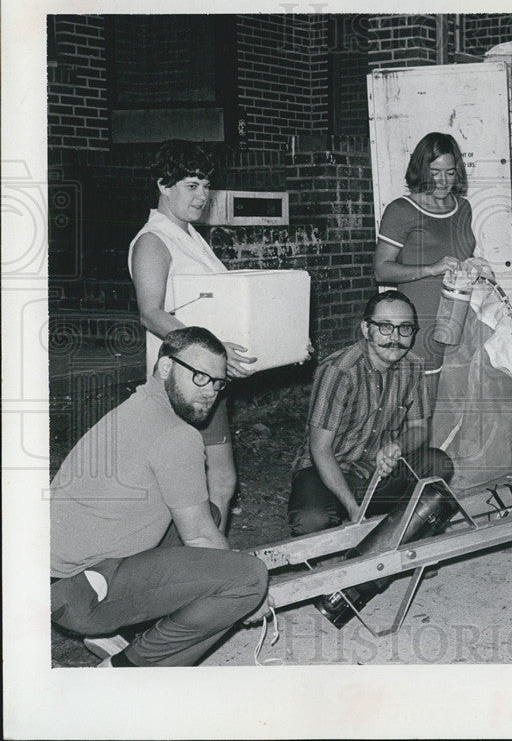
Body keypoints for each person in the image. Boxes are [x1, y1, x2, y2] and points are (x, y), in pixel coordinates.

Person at [49, 328, 269, 666]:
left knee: (206, 512)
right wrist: (256, 600)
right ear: (165, 367)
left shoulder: (137, 408)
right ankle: (129, 666)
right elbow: (198, 537)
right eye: (199, 377)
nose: (210, 391)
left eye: (217, 382)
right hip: (81, 592)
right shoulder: (176, 435)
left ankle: (120, 631)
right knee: (247, 580)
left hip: (61, 582)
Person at [286, 290, 456, 624]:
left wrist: (397, 447)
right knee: (310, 520)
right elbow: (320, 450)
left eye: (405, 329)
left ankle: (405, 538)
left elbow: (420, 427)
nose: (395, 337)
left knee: (437, 466)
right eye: (385, 327)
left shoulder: (413, 367)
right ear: (366, 329)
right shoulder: (339, 371)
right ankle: (361, 539)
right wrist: (352, 510)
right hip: (331, 469)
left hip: (378, 469)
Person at [128, 140, 256, 533]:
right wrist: (210, 353)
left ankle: (208, 565)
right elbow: (150, 312)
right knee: (194, 490)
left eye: (206, 186)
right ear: (163, 186)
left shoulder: (189, 236)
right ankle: (200, 566)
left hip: (204, 379)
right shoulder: (154, 240)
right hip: (181, 382)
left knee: (220, 481)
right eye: (191, 185)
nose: (202, 196)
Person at [373, 132, 480, 406]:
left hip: (461, 319)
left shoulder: (463, 208)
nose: (443, 182)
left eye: (450, 172)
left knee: (459, 404)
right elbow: (381, 271)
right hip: (422, 322)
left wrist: (476, 266)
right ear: (421, 170)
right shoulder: (401, 210)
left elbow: (463, 255)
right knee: (422, 409)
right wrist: (431, 268)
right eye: (435, 173)